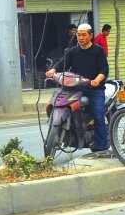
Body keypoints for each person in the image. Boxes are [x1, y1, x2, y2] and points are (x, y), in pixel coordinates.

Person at [46, 23, 109, 152]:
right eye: (79, 35)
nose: (81, 38)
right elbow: (62, 63)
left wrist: (97, 80)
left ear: (91, 36)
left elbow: (104, 68)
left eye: (84, 35)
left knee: (98, 115)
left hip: (94, 89)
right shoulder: (72, 51)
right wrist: (52, 70)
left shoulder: (98, 50)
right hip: (76, 88)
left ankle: (101, 148)